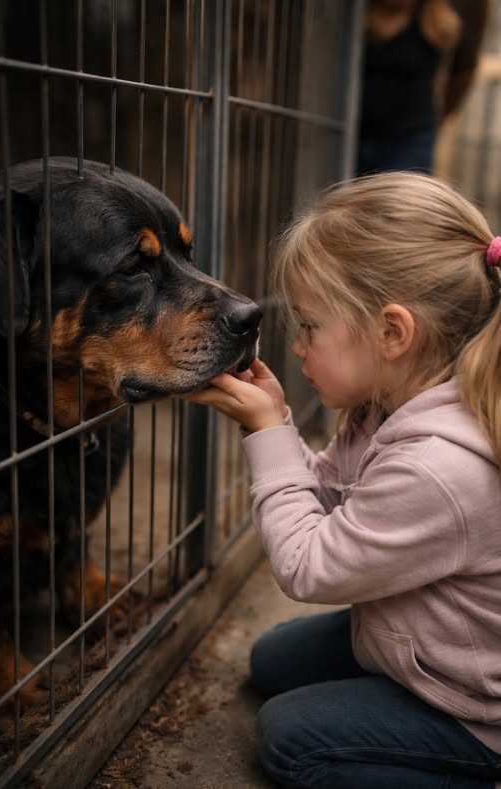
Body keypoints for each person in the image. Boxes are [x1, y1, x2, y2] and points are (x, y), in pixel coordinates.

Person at [182, 172, 501, 788]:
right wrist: (275, 420)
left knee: (291, 739)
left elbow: (308, 566)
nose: (299, 347)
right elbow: (328, 490)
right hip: (417, 640)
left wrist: (266, 433)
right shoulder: (386, 404)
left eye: (309, 326)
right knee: (270, 662)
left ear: (392, 333)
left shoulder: (438, 468)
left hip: (473, 703)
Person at [357, 0, 489, 175]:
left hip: (409, 138)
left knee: (403, 190)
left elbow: (463, 69)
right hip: (353, 131)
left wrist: (442, 118)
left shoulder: (437, 21)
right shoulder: (355, 17)